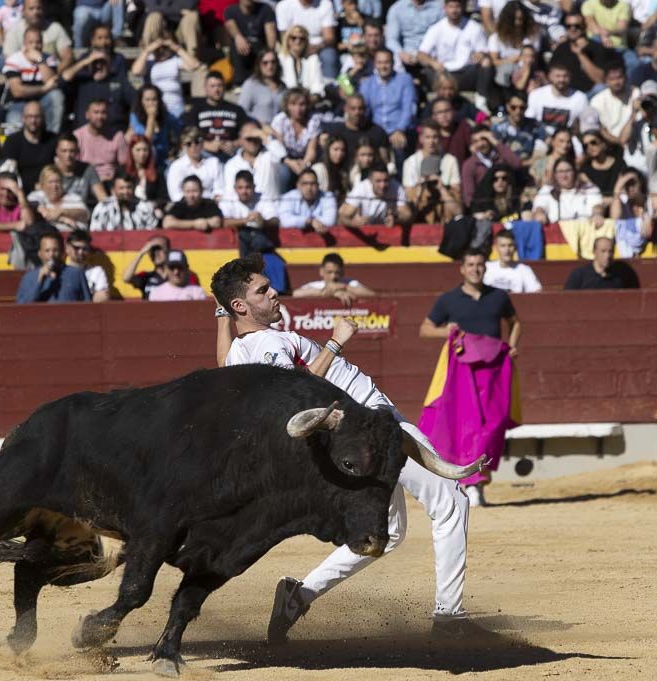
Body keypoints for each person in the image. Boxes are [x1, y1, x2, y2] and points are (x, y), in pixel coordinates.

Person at [212, 254, 477, 639]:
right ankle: (449, 617)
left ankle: (297, 597)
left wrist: (222, 318)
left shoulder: (241, 349)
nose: (275, 293)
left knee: (387, 531)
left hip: (355, 429)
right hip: (366, 423)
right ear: (241, 305)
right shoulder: (267, 340)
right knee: (451, 497)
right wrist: (336, 342)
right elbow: (296, 394)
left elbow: (224, 362)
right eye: (263, 290)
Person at [418, 249, 520, 506]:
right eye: (471, 265)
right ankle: (470, 482)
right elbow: (425, 329)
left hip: (493, 370)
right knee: (467, 426)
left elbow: (515, 322)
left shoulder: (498, 296)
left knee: (492, 425)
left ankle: (478, 480)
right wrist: (446, 331)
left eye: (480, 265)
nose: (476, 269)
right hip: (462, 372)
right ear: (462, 269)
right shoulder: (449, 300)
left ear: (485, 268)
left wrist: (513, 345)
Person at [417, 0, 492, 112]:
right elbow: (421, 54)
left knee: (486, 63)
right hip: (442, 74)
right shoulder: (436, 28)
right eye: (451, 6)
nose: (454, 10)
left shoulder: (474, 27)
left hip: (465, 73)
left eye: (457, 6)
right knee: (427, 70)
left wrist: (480, 55)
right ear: (445, 8)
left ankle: (481, 100)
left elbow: (483, 50)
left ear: (463, 7)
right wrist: (433, 63)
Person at [358, 48, 416, 164]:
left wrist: (400, 129)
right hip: (376, 130)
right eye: (379, 63)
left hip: (399, 129)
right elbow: (364, 108)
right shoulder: (367, 83)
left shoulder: (404, 80)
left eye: (386, 62)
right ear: (374, 64)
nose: (383, 66)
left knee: (399, 146)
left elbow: (408, 108)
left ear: (393, 63)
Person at [130, 32, 199, 120]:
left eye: (165, 48)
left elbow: (195, 65)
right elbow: (136, 71)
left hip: (176, 107)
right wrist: (147, 50)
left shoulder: (174, 60)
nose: (161, 51)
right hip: (155, 108)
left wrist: (177, 48)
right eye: (158, 48)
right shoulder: (149, 61)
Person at [181, 72, 248, 162]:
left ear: (224, 87)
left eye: (219, 85)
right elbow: (186, 135)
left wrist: (234, 144)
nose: (216, 90)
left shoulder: (236, 109)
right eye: (212, 86)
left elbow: (248, 132)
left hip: (232, 154)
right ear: (205, 88)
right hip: (203, 155)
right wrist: (205, 144)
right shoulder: (196, 110)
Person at [401, 125, 462, 223]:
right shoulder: (410, 162)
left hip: (445, 211)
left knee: (451, 194)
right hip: (421, 212)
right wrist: (421, 187)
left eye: (435, 137)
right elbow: (409, 200)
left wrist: (441, 188)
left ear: (440, 138)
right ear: (421, 139)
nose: (431, 142)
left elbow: (458, 211)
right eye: (428, 137)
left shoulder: (450, 160)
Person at [16, 231, 91, 304]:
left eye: (55, 250)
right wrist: (39, 282)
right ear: (40, 254)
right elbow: (21, 307)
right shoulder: (29, 277)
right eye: (47, 251)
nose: (51, 255)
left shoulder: (76, 274)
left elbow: (87, 304)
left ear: (62, 252)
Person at [275, 0, 339, 79]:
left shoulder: (325, 4)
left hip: (318, 46)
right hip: (293, 44)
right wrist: (299, 48)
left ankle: (330, 86)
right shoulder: (283, 5)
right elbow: (284, 37)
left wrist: (315, 48)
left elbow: (329, 37)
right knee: (283, 58)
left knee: (329, 56)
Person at [526, 62, 590, 140]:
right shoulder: (536, 95)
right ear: (550, 76)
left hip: (568, 139)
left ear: (570, 77)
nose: (561, 79)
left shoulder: (580, 98)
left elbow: (584, 125)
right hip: (541, 138)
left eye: (565, 76)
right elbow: (529, 120)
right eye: (557, 76)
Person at [531, 159, 603, 224]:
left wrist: (597, 214)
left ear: (574, 172)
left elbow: (596, 206)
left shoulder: (589, 188)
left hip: (584, 230)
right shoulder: (547, 189)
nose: (564, 175)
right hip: (555, 232)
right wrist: (539, 213)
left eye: (568, 171)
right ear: (555, 175)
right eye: (560, 171)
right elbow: (539, 207)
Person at [339, 162, 411, 227]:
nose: (382, 185)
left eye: (385, 180)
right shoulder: (360, 189)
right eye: (378, 181)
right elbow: (342, 217)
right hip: (365, 232)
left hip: (386, 232)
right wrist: (354, 223)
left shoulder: (396, 187)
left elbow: (407, 214)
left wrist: (396, 220)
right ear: (370, 180)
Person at [225, 0, 278, 86]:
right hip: (241, 49)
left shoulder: (265, 9)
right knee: (237, 45)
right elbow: (231, 26)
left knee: (266, 54)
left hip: (260, 48)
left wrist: (270, 52)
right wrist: (238, 37)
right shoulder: (230, 11)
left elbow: (270, 31)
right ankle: (240, 82)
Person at [74, 98, 128, 183]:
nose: (100, 116)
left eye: (103, 112)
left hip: (110, 181)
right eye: (96, 112)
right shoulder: (77, 136)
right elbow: (74, 165)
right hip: (85, 181)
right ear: (87, 115)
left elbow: (124, 165)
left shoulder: (117, 136)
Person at [128, 85, 180, 171]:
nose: (151, 103)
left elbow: (179, 129)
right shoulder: (135, 117)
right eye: (147, 100)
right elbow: (146, 141)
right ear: (141, 101)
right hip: (146, 161)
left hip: (165, 160)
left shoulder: (166, 116)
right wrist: (151, 117)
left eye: (154, 99)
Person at [166, 126, 224, 201]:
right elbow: (175, 195)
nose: (193, 147)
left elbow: (219, 191)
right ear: (183, 146)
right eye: (189, 144)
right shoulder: (176, 166)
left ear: (202, 143)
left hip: (210, 204)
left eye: (197, 142)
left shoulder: (214, 163)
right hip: (186, 206)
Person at [27, 164, 89, 232]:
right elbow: (32, 206)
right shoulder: (37, 196)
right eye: (50, 182)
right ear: (42, 184)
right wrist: (63, 219)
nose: (54, 186)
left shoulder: (73, 198)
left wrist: (62, 211)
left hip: (73, 236)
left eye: (57, 181)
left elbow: (85, 214)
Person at [293, 252, 375, 302]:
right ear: (321, 271)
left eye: (337, 272)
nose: (333, 276)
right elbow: (296, 294)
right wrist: (331, 293)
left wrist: (343, 287)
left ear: (342, 272)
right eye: (329, 272)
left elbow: (372, 295)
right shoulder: (315, 285)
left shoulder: (350, 283)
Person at [564, 237, 640, 289]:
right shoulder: (579, 275)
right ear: (594, 252)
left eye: (610, 251)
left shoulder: (620, 275)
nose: (607, 255)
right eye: (603, 251)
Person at [238, 49, 286, 126]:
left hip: (279, 131)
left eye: (273, 62)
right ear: (259, 65)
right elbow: (241, 111)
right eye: (265, 63)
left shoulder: (283, 87)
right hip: (258, 130)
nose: (270, 66)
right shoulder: (250, 85)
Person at [484, 229, 542, 293]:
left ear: (515, 247)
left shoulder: (524, 270)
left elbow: (537, 293)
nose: (507, 250)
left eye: (510, 245)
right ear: (496, 248)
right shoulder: (487, 267)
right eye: (503, 246)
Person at [63, 229, 110, 302]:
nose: (81, 252)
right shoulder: (61, 271)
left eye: (85, 248)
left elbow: (103, 297)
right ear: (67, 248)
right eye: (76, 248)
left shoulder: (97, 271)